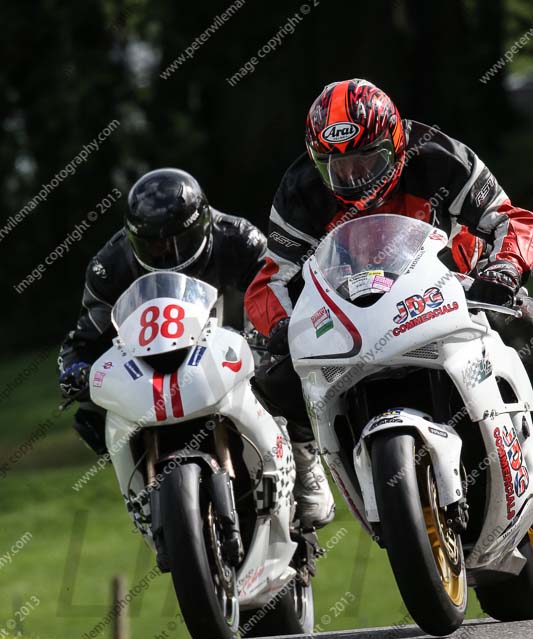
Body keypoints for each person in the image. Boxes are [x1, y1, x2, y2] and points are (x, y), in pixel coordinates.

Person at [244, 77, 533, 455]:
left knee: (525, 323)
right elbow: (272, 277)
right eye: (338, 166)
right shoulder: (302, 190)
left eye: (366, 161)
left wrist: (504, 269)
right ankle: (311, 457)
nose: (354, 178)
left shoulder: (439, 156)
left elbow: (510, 218)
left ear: (395, 144)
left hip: (456, 287)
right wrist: (281, 325)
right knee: (275, 378)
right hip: (356, 305)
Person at [58, 167, 334, 530]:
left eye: (178, 240)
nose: (167, 251)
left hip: (226, 339)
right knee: (92, 414)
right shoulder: (109, 266)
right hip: (149, 359)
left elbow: (276, 287)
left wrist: (278, 330)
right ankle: (143, 497)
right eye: (154, 244)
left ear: (203, 224)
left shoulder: (237, 237)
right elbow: (84, 335)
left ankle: (304, 461)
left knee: (281, 371)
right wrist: (74, 369)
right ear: (133, 239)